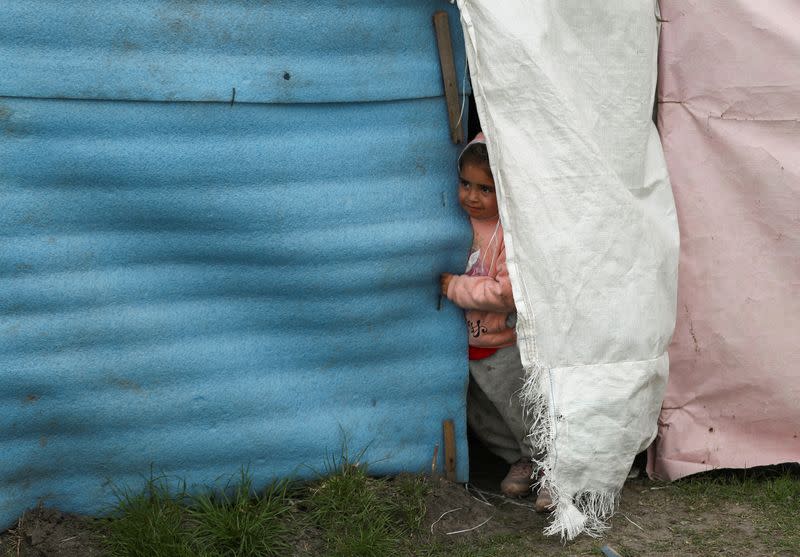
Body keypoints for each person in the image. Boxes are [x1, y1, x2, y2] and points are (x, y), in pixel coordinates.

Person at [440, 133, 551, 511]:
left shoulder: (505, 233)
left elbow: (506, 292)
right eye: (466, 184)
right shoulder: (456, 221)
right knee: (483, 415)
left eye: (485, 188)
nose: (472, 196)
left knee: (519, 408)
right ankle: (521, 462)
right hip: (468, 344)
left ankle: (550, 470)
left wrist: (455, 287)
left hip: (501, 342)